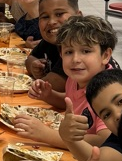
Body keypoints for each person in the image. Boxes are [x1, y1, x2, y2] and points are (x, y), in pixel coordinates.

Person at [16, 15, 114, 149]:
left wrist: (46, 135)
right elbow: (71, 102)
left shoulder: (109, 92)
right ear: (61, 55)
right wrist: (49, 95)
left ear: (105, 56)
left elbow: (104, 141)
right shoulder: (75, 78)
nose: (75, 59)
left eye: (86, 51)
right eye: (69, 52)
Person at [26, 0, 81, 91]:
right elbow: (29, 59)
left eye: (59, 14)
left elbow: (52, 85)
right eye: (45, 17)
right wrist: (34, 66)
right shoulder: (50, 41)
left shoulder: (78, 46)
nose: (51, 22)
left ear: (78, 16)